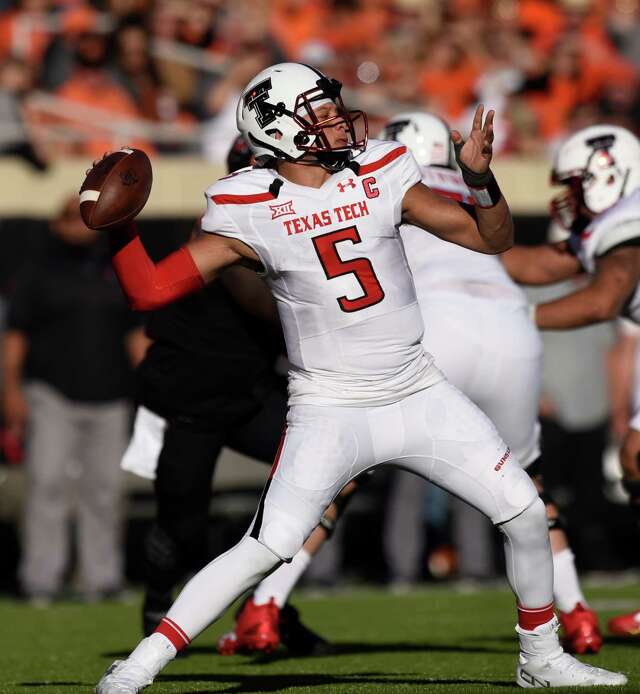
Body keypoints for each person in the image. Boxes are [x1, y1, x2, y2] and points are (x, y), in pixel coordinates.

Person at [96, 62, 625, 690]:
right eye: (315, 110)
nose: (333, 117)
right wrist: (120, 230)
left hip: (418, 388)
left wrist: (480, 181)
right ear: (277, 130)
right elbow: (153, 290)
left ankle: (541, 657)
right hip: (331, 405)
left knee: (526, 513)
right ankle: (138, 667)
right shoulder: (245, 207)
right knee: (264, 546)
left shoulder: (380, 170)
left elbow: (492, 240)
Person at [379, 111, 602, 653]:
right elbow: (523, 262)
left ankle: (265, 606)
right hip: (507, 323)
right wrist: (591, 237)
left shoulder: (382, 187)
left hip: (437, 328)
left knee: (350, 467)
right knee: (526, 483)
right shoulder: (465, 192)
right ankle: (574, 614)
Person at [124, 134, 331, 654]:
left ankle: (269, 606)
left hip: (249, 391)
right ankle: (159, 603)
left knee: (324, 470)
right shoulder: (229, 219)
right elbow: (259, 301)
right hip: (194, 396)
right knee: (182, 524)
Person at [501, 122, 640, 639]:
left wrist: (518, 320)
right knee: (635, 457)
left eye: (577, 184)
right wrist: (462, 241)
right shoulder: (610, 223)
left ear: (608, 174)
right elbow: (539, 265)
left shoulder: (628, 219)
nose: (568, 197)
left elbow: (603, 299)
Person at [1, 195, 144, 603]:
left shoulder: (116, 271)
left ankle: (102, 580)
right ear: (56, 225)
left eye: (85, 220)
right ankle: (40, 580)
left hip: (111, 395)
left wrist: (150, 386)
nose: (78, 227)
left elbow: (135, 334)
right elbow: (15, 338)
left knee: (106, 489)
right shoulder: (37, 274)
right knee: (47, 484)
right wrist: (10, 392)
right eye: (70, 218)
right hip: (51, 394)